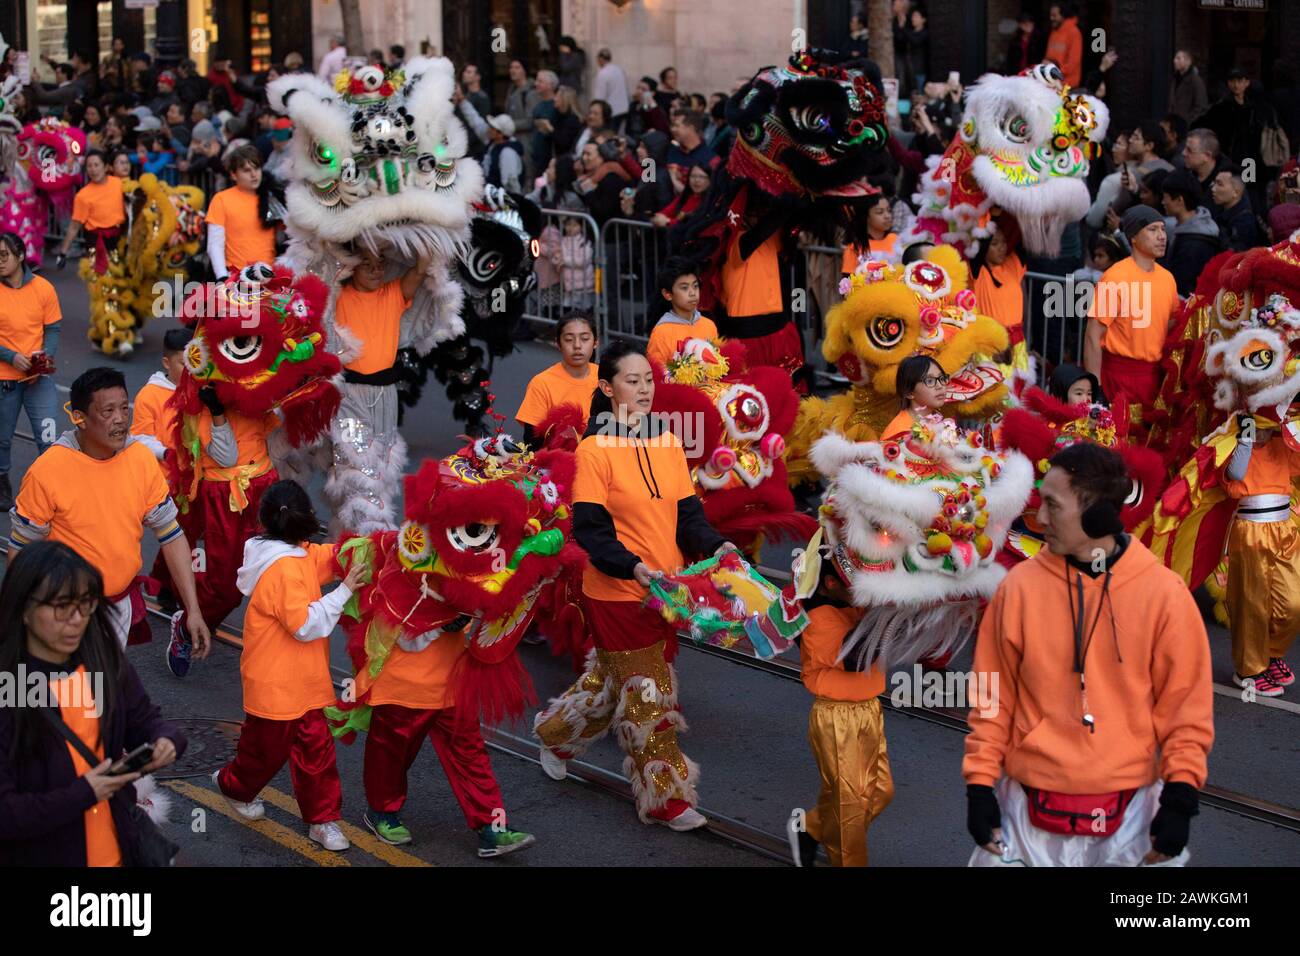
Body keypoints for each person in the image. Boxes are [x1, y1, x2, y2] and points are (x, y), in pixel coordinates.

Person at [964, 443, 1213, 867]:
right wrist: (979, 786)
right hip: (1025, 816)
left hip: (1129, 821)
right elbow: (991, 696)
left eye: (1052, 505)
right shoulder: (1018, 588)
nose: (1040, 519)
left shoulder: (1164, 595)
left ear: (1097, 514)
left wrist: (1180, 797)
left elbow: (1186, 708)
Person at [534, 340, 734, 829]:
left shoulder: (667, 441)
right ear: (607, 387)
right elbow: (591, 531)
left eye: (649, 380)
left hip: (666, 592)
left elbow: (689, 517)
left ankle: (556, 735)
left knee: (612, 682)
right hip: (616, 592)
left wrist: (717, 546)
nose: (644, 389)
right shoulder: (594, 450)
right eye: (632, 381)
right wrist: (632, 567)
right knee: (649, 691)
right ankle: (667, 799)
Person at [0, 541, 186, 866]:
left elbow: (145, 720)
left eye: (85, 604)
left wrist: (166, 740)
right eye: (62, 607)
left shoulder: (103, 663)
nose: (77, 619)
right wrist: (84, 793)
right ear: (24, 609)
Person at [9, 368, 211, 655]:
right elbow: (21, 548)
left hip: (118, 609)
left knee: (105, 681)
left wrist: (193, 610)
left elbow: (171, 534)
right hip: (63, 612)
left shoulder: (141, 459)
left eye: (123, 408)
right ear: (79, 417)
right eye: (107, 411)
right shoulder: (47, 471)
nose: (120, 419)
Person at [213, 480, 361, 853]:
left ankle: (322, 819)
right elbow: (305, 625)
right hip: (276, 686)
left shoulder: (293, 553)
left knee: (317, 752)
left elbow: (326, 557)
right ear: (309, 517)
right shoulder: (282, 569)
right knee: (264, 753)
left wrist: (366, 548)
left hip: (305, 681)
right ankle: (233, 786)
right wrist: (346, 590)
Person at [788, 567, 892, 867]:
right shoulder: (817, 617)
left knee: (880, 791)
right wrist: (890, 612)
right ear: (830, 583)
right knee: (849, 806)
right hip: (836, 717)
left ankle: (810, 828)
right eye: (854, 585)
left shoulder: (850, 604)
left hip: (869, 709)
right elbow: (856, 659)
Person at [325, 249, 431, 535]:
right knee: (354, 463)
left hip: (385, 396)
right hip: (348, 397)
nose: (376, 270)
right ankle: (360, 535)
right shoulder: (337, 295)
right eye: (367, 265)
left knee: (381, 465)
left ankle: (364, 535)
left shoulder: (393, 292)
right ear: (353, 267)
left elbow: (421, 268)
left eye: (380, 264)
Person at [1221, 417, 1300, 697]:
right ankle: (1249, 670)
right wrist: (1247, 435)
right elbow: (1236, 474)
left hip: (1285, 528)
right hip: (1251, 531)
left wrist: (1287, 428)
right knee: (1251, 605)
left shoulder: (1282, 441)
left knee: (1292, 603)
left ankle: (1271, 653)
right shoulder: (1231, 439)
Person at [1084, 205, 1178, 409]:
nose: (1162, 236)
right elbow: (1093, 335)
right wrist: (1095, 388)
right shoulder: (1114, 277)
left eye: (1163, 229)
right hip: (1118, 378)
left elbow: (1171, 326)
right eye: (1153, 229)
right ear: (1133, 237)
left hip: (1154, 377)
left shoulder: (1168, 279)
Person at [0, 232, 62, 512]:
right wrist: (11, 357)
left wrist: (44, 358)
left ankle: (50, 488)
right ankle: (2, 482)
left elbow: (53, 328)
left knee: (48, 437)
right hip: (5, 380)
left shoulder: (44, 289)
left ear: (21, 256)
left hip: (39, 379)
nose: (0, 261)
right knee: (2, 439)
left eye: (5, 255)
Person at [515, 314, 599, 446]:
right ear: (558, 344)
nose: (577, 345)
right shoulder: (541, 383)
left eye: (585, 339)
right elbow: (532, 442)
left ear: (595, 342)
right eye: (569, 339)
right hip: (559, 456)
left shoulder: (607, 379)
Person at [205, 145, 277, 279]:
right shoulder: (221, 199)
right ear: (233, 174)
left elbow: (289, 235)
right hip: (237, 277)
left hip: (270, 277)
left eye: (256, 168)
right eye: (246, 170)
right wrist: (222, 277)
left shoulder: (272, 198)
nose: (254, 174)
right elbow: (215, 244)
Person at [55, 150, 125, 275]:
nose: (93, 169)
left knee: (121, 276)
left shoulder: (119, 184)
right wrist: (63, 253)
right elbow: (74, 226)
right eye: (89, 166)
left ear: (106, 167)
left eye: (96, 165)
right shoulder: (83, 196)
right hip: (96, 242)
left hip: (118, 238)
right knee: (99, 278)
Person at [972, 221, 1029, 374]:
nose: (1001, 248)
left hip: (1017, 342)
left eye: (1004, 242)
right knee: (992, 385)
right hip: (990, 342)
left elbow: (1022, 241)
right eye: (994, 244)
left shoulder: (1012, 264)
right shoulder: (979, 271)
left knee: (1021, 385)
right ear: (984, 247)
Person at [130, 327, 191, 462]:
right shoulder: (148, 396)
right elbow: (140, 437)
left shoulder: (203, 391)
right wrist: (166, 453)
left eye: (195, 363)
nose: (190, 370)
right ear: (166, 363)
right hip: (163, 472)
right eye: (184, 364)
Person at [646, 257, 719, 368]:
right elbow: (656, 374)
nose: (692, 293)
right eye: (684, 288)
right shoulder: (661, 333)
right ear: (667, 294)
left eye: (695, 286)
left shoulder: (709, 325)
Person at [1159, 170, 1221, 297]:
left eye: (1165, 197)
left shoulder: (1194, 244)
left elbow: (1182, 287)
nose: (1163, 202)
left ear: (1179, 200)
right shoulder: (1183, 229)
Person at [882, 355, 949, 442]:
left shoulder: (936, 419)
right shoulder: (899, 435)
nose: (940, 386)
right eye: (929, 381)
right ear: (909, 392)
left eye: (942, 378)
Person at [841, 194, 901, 273]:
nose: (887, 216)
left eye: (889, 211)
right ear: (866, 216)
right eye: (880, 212)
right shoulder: (854, 247)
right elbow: (848, 278)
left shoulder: (897, 240)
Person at [1182, 128, 1230, 217]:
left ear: (1207, 156)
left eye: (1189, 150)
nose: (1183, 153)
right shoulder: (1183, 174)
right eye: (1185, 148)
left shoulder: (1229, 182)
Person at [1209, 171, 1260, 251]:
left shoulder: (1245, 222)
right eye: (1214, 183)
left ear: (1235, 192)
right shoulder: (1217, 210)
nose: (1213, 189)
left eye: (1220, 184)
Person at [1045, 2, 1083, 90]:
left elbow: (1073, 63)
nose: (1051, 18)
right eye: (1051, 15)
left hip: (1067, 85)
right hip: (1053, 83)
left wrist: (1054, 72)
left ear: (1063, 15)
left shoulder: (1074, 32)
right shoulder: (1054, 31)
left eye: (1054, 15)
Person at [482, 115, 524, 193]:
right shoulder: (493, 146)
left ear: (500, 134)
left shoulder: (507, 153)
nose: (489, 130)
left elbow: (511, 184)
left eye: (492, 128)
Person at [592, 48, 630, 130]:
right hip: (623, 108)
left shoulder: (603, 73)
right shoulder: (619, 70)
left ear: (600, 59)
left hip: (611, 110)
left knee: (609, 133)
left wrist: (595, 112)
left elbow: (600, 96)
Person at [1168, 50, 1209, 126]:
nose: (1174, 61)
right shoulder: (1175, 79)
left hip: (1187, 125)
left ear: (1188, 62)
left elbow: (1201, 106)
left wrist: (1188, 121)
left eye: (1178, 58)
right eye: (1175, 58)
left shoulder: (1196, 81)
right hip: (1175, 125)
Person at [1004, 12, 1047, 76]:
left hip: (1033, 73)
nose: (1028, 25)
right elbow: (1010, 60)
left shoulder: (1040, 39)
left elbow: (1042, 57)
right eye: (1024, 23)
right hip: (1017, 73)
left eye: (1030, 22)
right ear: (1019, 25)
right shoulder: (1015, 40)